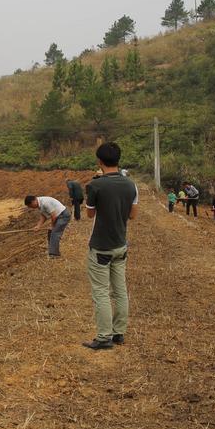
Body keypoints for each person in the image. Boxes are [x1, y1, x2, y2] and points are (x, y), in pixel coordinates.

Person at [82, 142, 138, 350]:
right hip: (120, 245)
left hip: (101, 247)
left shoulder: (95, 185)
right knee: (120, 290)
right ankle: (119, 333)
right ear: (118, 160)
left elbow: (90, 214)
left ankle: (104, 337)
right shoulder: (131, 185)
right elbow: (133, 215)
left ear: (99, 161)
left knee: (100, 292)